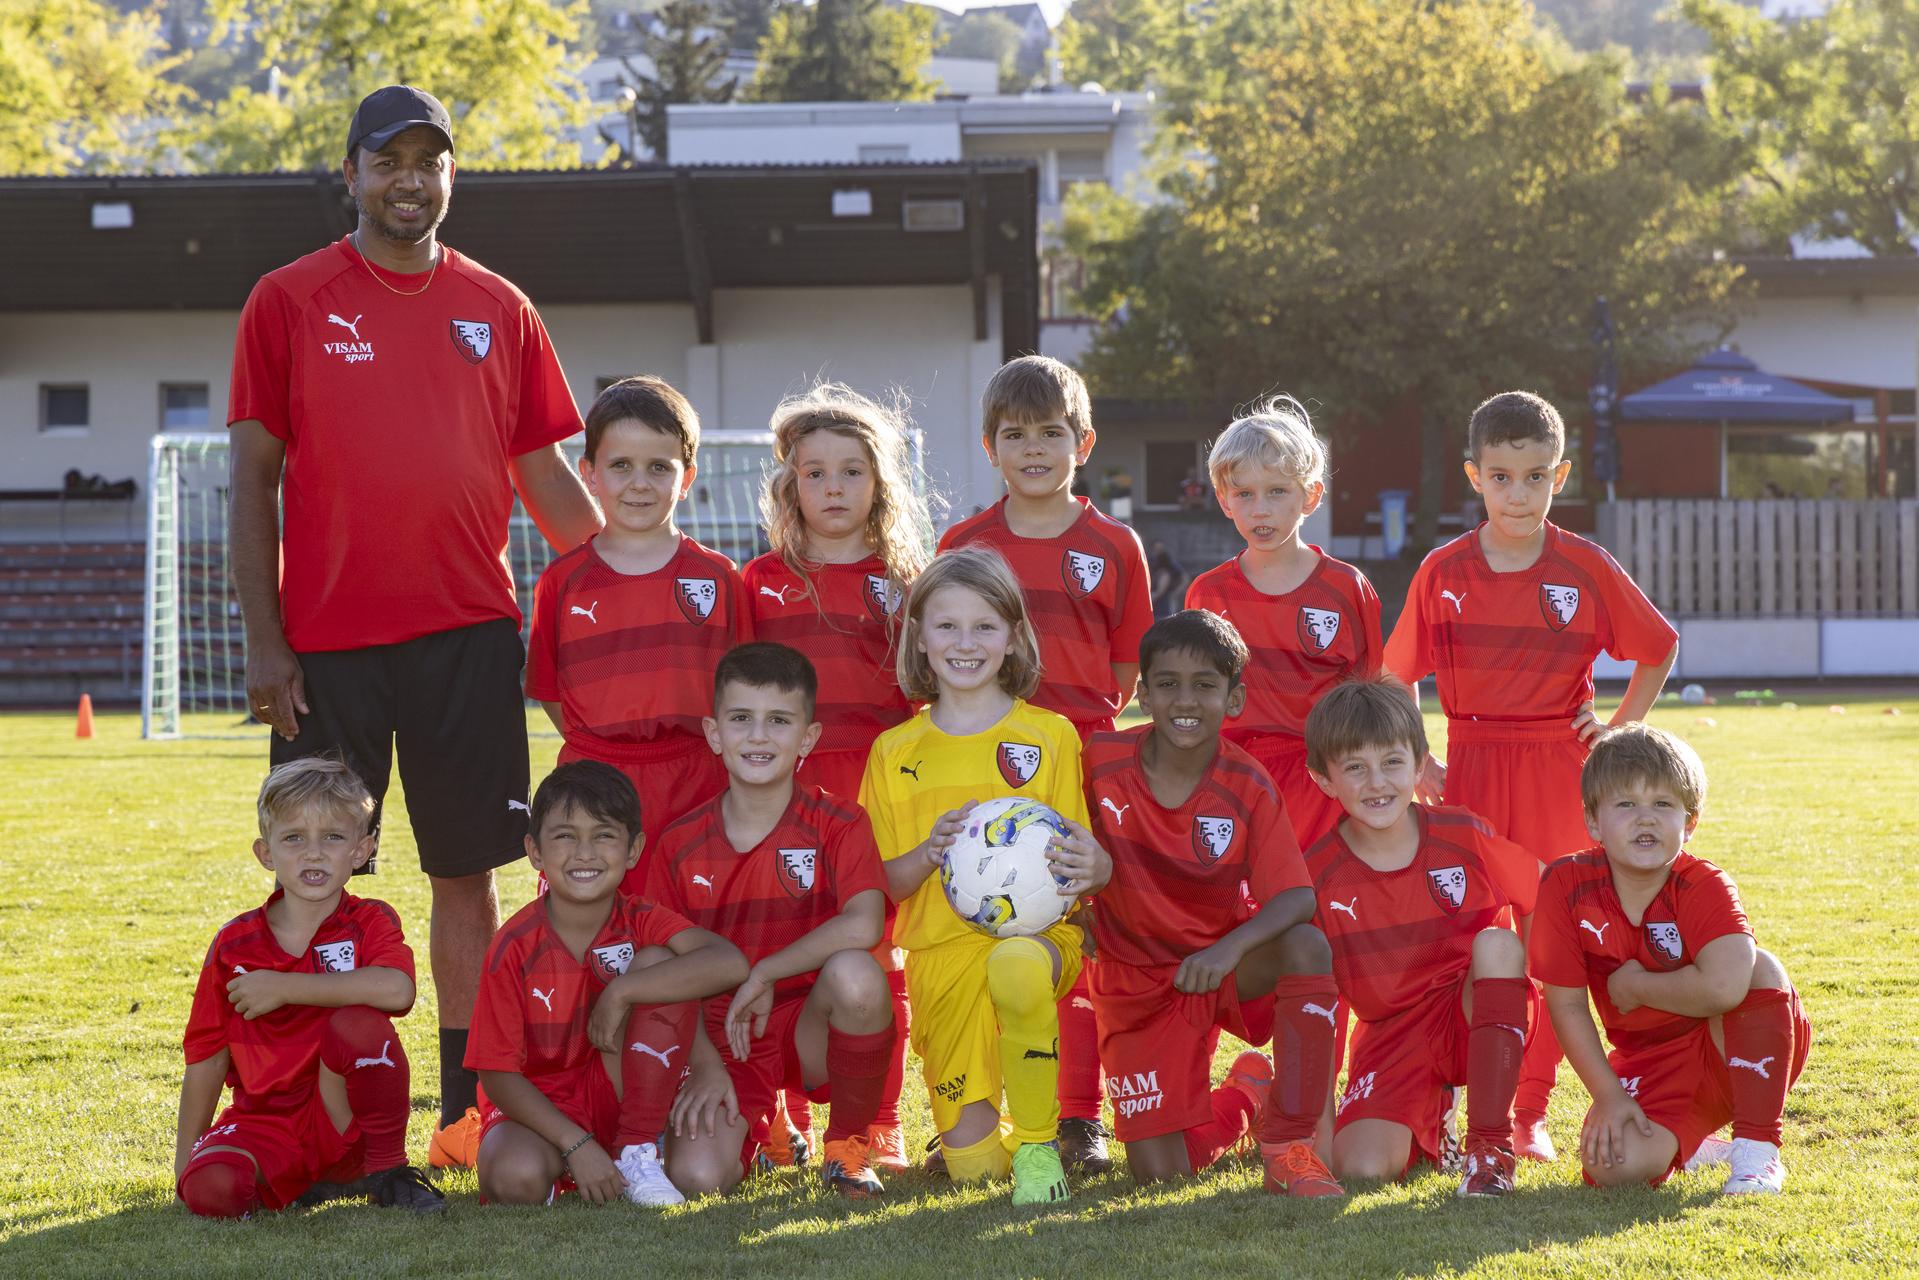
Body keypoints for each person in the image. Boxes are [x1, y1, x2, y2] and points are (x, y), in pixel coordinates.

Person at [226, 84, 603, 1169]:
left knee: (466, 874)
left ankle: (460, 1105)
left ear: (452, 177)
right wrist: (264, 635)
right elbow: (251, 481)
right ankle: (293, 1103)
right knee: (313, 867)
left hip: (467, 639)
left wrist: (626, 573)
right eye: (386, 159)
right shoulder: (288, 299)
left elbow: (548, 484)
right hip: (328, 647)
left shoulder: (499, 305)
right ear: (347, 174)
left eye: (429, 160)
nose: (408, 179)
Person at [1383, 389, 1679, 1161]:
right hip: (1471, 769)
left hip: (1557, 766)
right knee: (1471, 942)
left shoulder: (1582, 564)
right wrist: (1418, 757)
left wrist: (1619, 726)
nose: (1519, 494)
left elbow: (1657, 644)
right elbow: (1394, 676)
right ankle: (1451, 1103)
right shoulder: (1442, 569)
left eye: (1536, 477)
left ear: (1561, 475)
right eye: (1502, 476)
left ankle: (1526, 1113)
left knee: (1551, 944)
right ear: (1473, 476)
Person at [938, 355, 1153, 1174]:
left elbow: (1125, 668)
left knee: (1078, 937)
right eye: (1016, 435)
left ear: (1083, 441)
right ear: (990, 447)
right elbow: (944, 649)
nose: (1034, 449)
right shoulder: (965, 543)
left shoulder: (1112, 544)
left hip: (1083, 761)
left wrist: (1073, 734)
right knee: (989, 928)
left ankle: (1077, 1118)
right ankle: (980, 1110)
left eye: (1051, 433)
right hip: (986, 760)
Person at [860, 547, 1112, 1205]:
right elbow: (877, 883)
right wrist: (929, 853)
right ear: (918, 637)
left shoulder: (1051, 736)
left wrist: (1090, 867)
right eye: (946, 626)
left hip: (1036, 944)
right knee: (972, 1168)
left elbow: (1079, 865)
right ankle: (997, 1145)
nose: (964, 643)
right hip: (940, 954)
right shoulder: (893, 752)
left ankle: (1035, 1148)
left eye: (984, 627)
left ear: (1013, 637)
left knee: (1016, 965)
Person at [1082, 610, 1342, 1195]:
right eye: (1168, 683)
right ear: (1141, 692)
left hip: (1220, 967)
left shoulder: (1246, 783)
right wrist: (1078, 913)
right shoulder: (1096, 760)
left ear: (1235, 697)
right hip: (1134, 982)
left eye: (1205, 685)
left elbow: (1297, 896)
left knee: (1306, 945)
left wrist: (1229, 950)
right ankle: (1245, 1097)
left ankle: (1288, 1143)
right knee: (1160, 1176)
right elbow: (1052, 843)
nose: (1185, 700)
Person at [741, 385, 932, 1172]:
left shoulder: (907, 582)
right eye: (814, 473)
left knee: (875, 952)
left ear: (878, 485)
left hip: (878, 789)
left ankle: (873, 1124)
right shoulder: (756, 582)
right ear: (791, 486)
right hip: (784, 789)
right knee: (781, 941)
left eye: (850, 473)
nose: (832, 489)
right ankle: (779, 1119)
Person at [643, 643, 897, 1200]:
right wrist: (705, 1065)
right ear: (714, 733)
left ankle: (847, 1149)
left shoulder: (839, 822)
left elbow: (865, 924)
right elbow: (659, 969)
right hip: (719, 1035)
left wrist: (764, 973)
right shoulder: (679, 844)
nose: (759, 737)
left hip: (806, 1026)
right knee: (698, 1178)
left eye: (778, 721)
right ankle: (762, 1129)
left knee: (858, 975)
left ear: (807, 738)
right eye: (741, 719)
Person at [1533, 724, 1810, 1195]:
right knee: (1611, 1167)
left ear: (1690, 821)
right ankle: (1693, 1141)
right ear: (1594, 822)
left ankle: (1757, 1150)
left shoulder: (1704, 883)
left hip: (1727, 1048)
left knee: (1758, 966)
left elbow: (1725, 988)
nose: (1646, 820)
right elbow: (1566, 1005)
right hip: (1650, 1063)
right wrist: (1609, 1096)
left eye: (1663, 805)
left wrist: (1637, 986)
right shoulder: (1565, 884)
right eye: (1626, 805)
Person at [466, 762, 748, 1206]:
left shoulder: (641, 919)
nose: (584, 852)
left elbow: (727, 962)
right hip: (548, 1103)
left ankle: (638, 1148)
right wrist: (575, 1144)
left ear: (633, 849)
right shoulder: (514, 946)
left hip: (635, 1091)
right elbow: (496, 1071)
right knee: (513, 1179)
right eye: (564, 835)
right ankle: (576, 1159)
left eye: (603, 835)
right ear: (534, 851)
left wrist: (623, 990)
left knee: (702, 1176)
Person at [1302, 676, 1539, 1197]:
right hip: (1390, 1036)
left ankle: (1489, 1148)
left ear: (1419, 762)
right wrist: (1319, 1129)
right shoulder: (1317, 876)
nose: (1377, 782)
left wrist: (1549, 975)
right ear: (1324, 780)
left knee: (1497, 945)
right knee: (1361, 1167)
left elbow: (1544, 893)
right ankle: (1437, 1118)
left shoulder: (1462, 834)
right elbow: (1314, 1009)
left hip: (1471, 1009)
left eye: (1391, 762)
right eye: (1354, 768)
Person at [176, 758, 442, 1217]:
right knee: (211, 1189)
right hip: (265, 1123)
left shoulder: (369, 921)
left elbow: (398, 990)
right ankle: (300, 1178)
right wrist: (185, 1163)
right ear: (266, 853)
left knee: (358, 1024)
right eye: (294, 838)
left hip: (345, 1120)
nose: (313, 853)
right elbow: (207, 1056)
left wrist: (284, 987)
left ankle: (385, 1172)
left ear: (362, 850)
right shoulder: (233, 945)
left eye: (333, 838)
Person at [524, 375, 747, 892]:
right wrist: (609, 745)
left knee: (693, 933)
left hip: (696, 781)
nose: (639, 482)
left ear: (686, 477)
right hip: (595, 780)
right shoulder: (564, 581)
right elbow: (552, 695)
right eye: (620, 465)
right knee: (592, 928)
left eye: (659, 467)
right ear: (590, 474)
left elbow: (738, 691)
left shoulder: (717, 580)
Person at [1185, 398, 1383, 850]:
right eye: (1244, 494)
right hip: (1236, 779)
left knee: (1321, 906)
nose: (1260, 510)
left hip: (1325, 777)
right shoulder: (1208, 594)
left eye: (1277, 491)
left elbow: (1371, 693)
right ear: (1224, 500)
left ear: (1310, 495)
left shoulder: (1345, 588)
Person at [1147, 540, 1187, 619]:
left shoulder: (1167, 566)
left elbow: (1184, 578)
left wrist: (1176, 592)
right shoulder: (1151, 562)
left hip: (1162, 605)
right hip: (1155, 606)